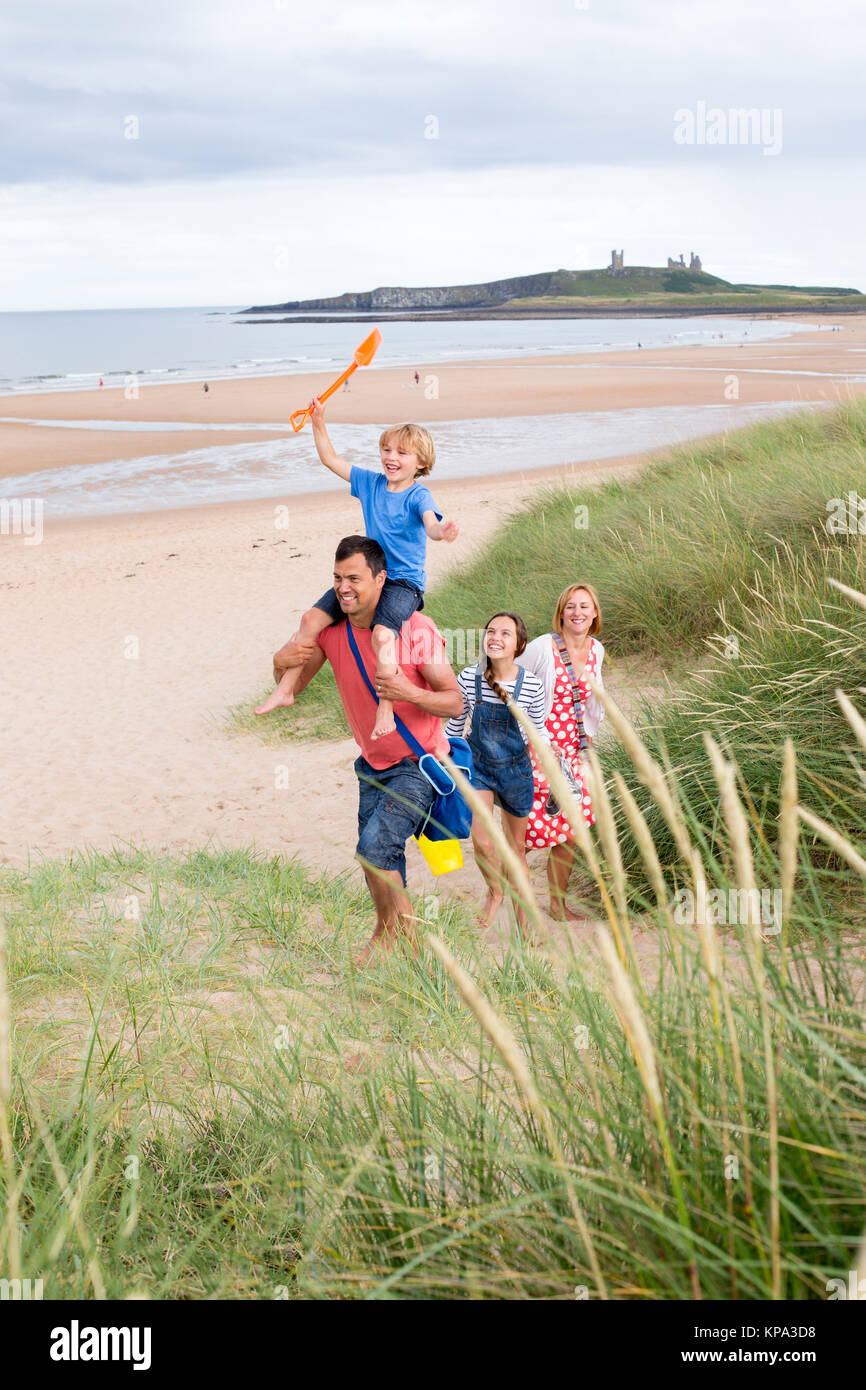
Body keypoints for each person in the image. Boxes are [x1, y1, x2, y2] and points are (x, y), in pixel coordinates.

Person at [265, 536, 463, 962]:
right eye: (337, 578)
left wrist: (408, 690)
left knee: (374, 850)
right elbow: (292, 686)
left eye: (354, 577)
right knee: (377, 858)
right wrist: (280, 657)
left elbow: (454, 701)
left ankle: (410, 945)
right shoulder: (332, 631)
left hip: (417, 764)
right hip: (371, 765)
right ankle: (384, 930)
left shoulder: (416, 630)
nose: (343, 587)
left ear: (380, 578)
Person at [255, 400, 458, 739]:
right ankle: (287, 687)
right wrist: (318, 422)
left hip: (402, 583)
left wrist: (441, 532)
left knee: (382, 635)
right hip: (366, 577)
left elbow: (430, 523)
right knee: (309, 621)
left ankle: (386, 706)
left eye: (402, 453)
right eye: (386, 449)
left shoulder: (418, 495)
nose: (391, 457)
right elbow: (330, 460)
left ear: (421, 462)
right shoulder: (370, 484)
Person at [445, 612, 547, 936]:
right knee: (483, 841)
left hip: (516, 771)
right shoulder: (468, 678)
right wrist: (442, 757)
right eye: (491, 631)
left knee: (516, 851)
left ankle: (525, 926)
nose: (496, 638)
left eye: (505, 633)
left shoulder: (530, 684)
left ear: (519, 644)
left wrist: (550, 764)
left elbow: (537, 731)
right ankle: (495, 890)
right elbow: (456, 727)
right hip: (480, 768)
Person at [518, 584, 606, 920]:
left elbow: (591, 702)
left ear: (595, 612)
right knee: (530, 829)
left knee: (571, 829)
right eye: (570, 607)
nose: (578, 613)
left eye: (584, 606)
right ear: (561, 613)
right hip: (537, 749)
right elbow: (511, 678)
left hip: (574, 751)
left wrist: (589, 740)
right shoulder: (541, 648)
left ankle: (557, 906)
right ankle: (499, 887)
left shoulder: (596, 650)